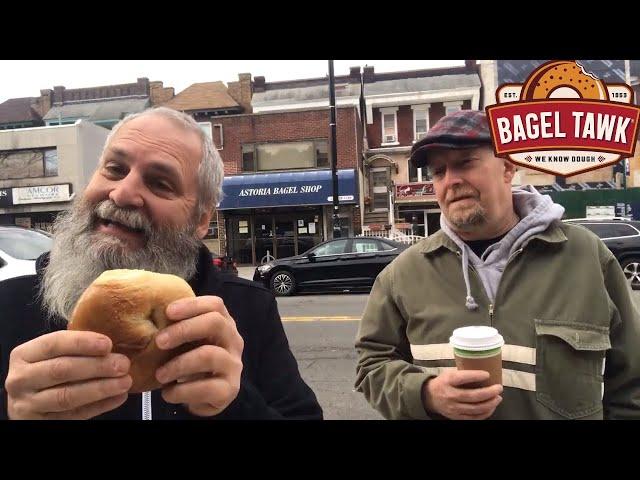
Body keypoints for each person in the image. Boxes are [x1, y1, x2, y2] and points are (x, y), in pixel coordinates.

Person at [0, 107, 322, 420]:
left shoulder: (249, 308)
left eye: (160, 183)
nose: (123, 193)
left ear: (201, 220)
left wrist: (235, 404)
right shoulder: (10, 303)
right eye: (114, 169)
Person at [355, 110, 640, 420]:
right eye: (438, 171)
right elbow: (371, 364)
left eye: (465, 163)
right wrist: (425, 393)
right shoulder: (402, 276)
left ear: (507, 168)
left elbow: (631, 385)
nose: (451, 181)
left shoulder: (587, 258)